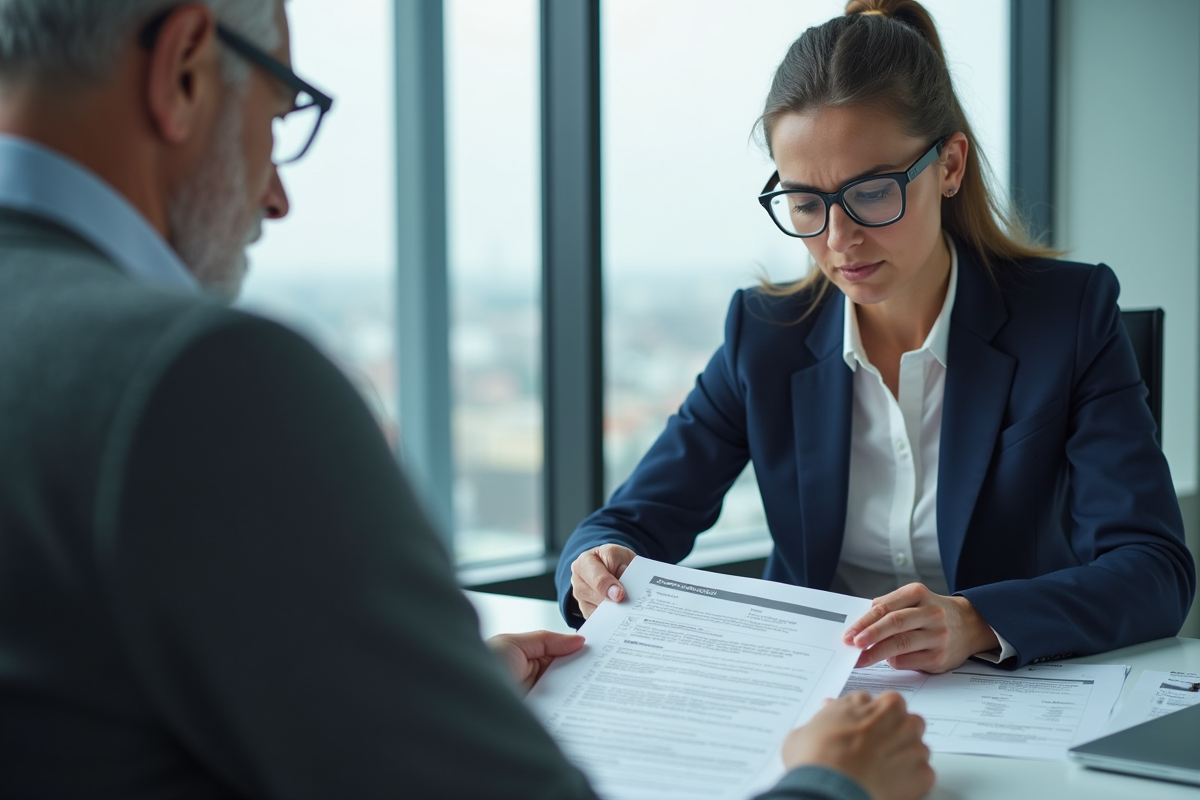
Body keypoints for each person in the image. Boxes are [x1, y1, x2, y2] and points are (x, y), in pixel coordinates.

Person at [0, 2, 934, 799]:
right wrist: (833, 785)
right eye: (278, 119)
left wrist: (412, 703)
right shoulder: (205, 380)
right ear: (184, 71)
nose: (276, 196)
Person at [559, 0, 1196, 674]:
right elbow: (631, 520)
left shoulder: (1067, 318)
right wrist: (595, 563)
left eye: (870, 193)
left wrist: (976, 620)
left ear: (950, 166)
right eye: (806, 202)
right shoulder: (765, 336)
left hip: (1004, 689)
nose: (839, 240)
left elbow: (1153, 570)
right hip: (812, 694)